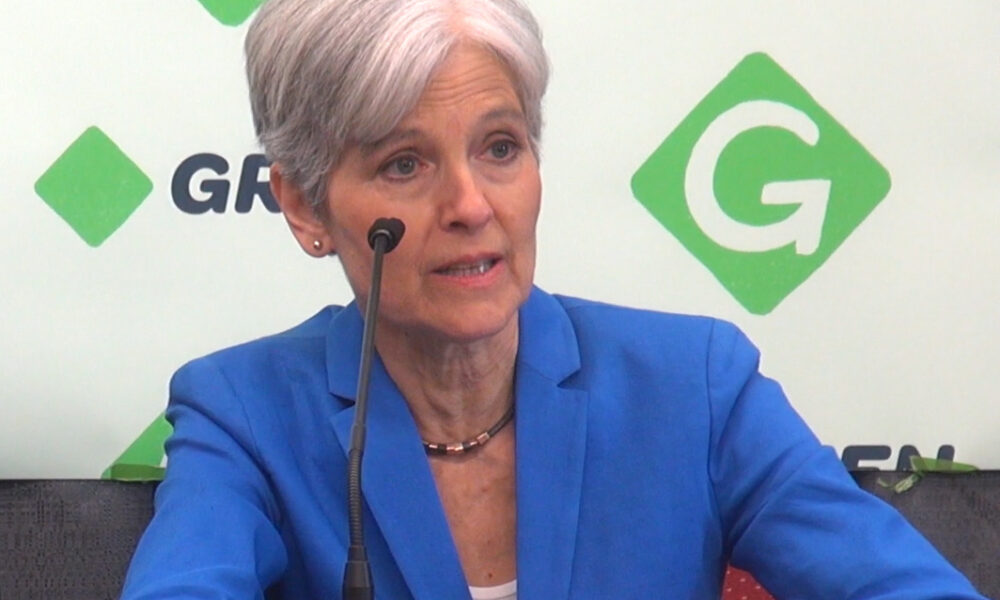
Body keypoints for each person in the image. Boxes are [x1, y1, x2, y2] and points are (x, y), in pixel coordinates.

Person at [121, 1, 986, 598]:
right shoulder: (244, 413)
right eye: (404, 164)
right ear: (306, 205)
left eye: (499, 147)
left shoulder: (697, 387)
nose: (471, 206)